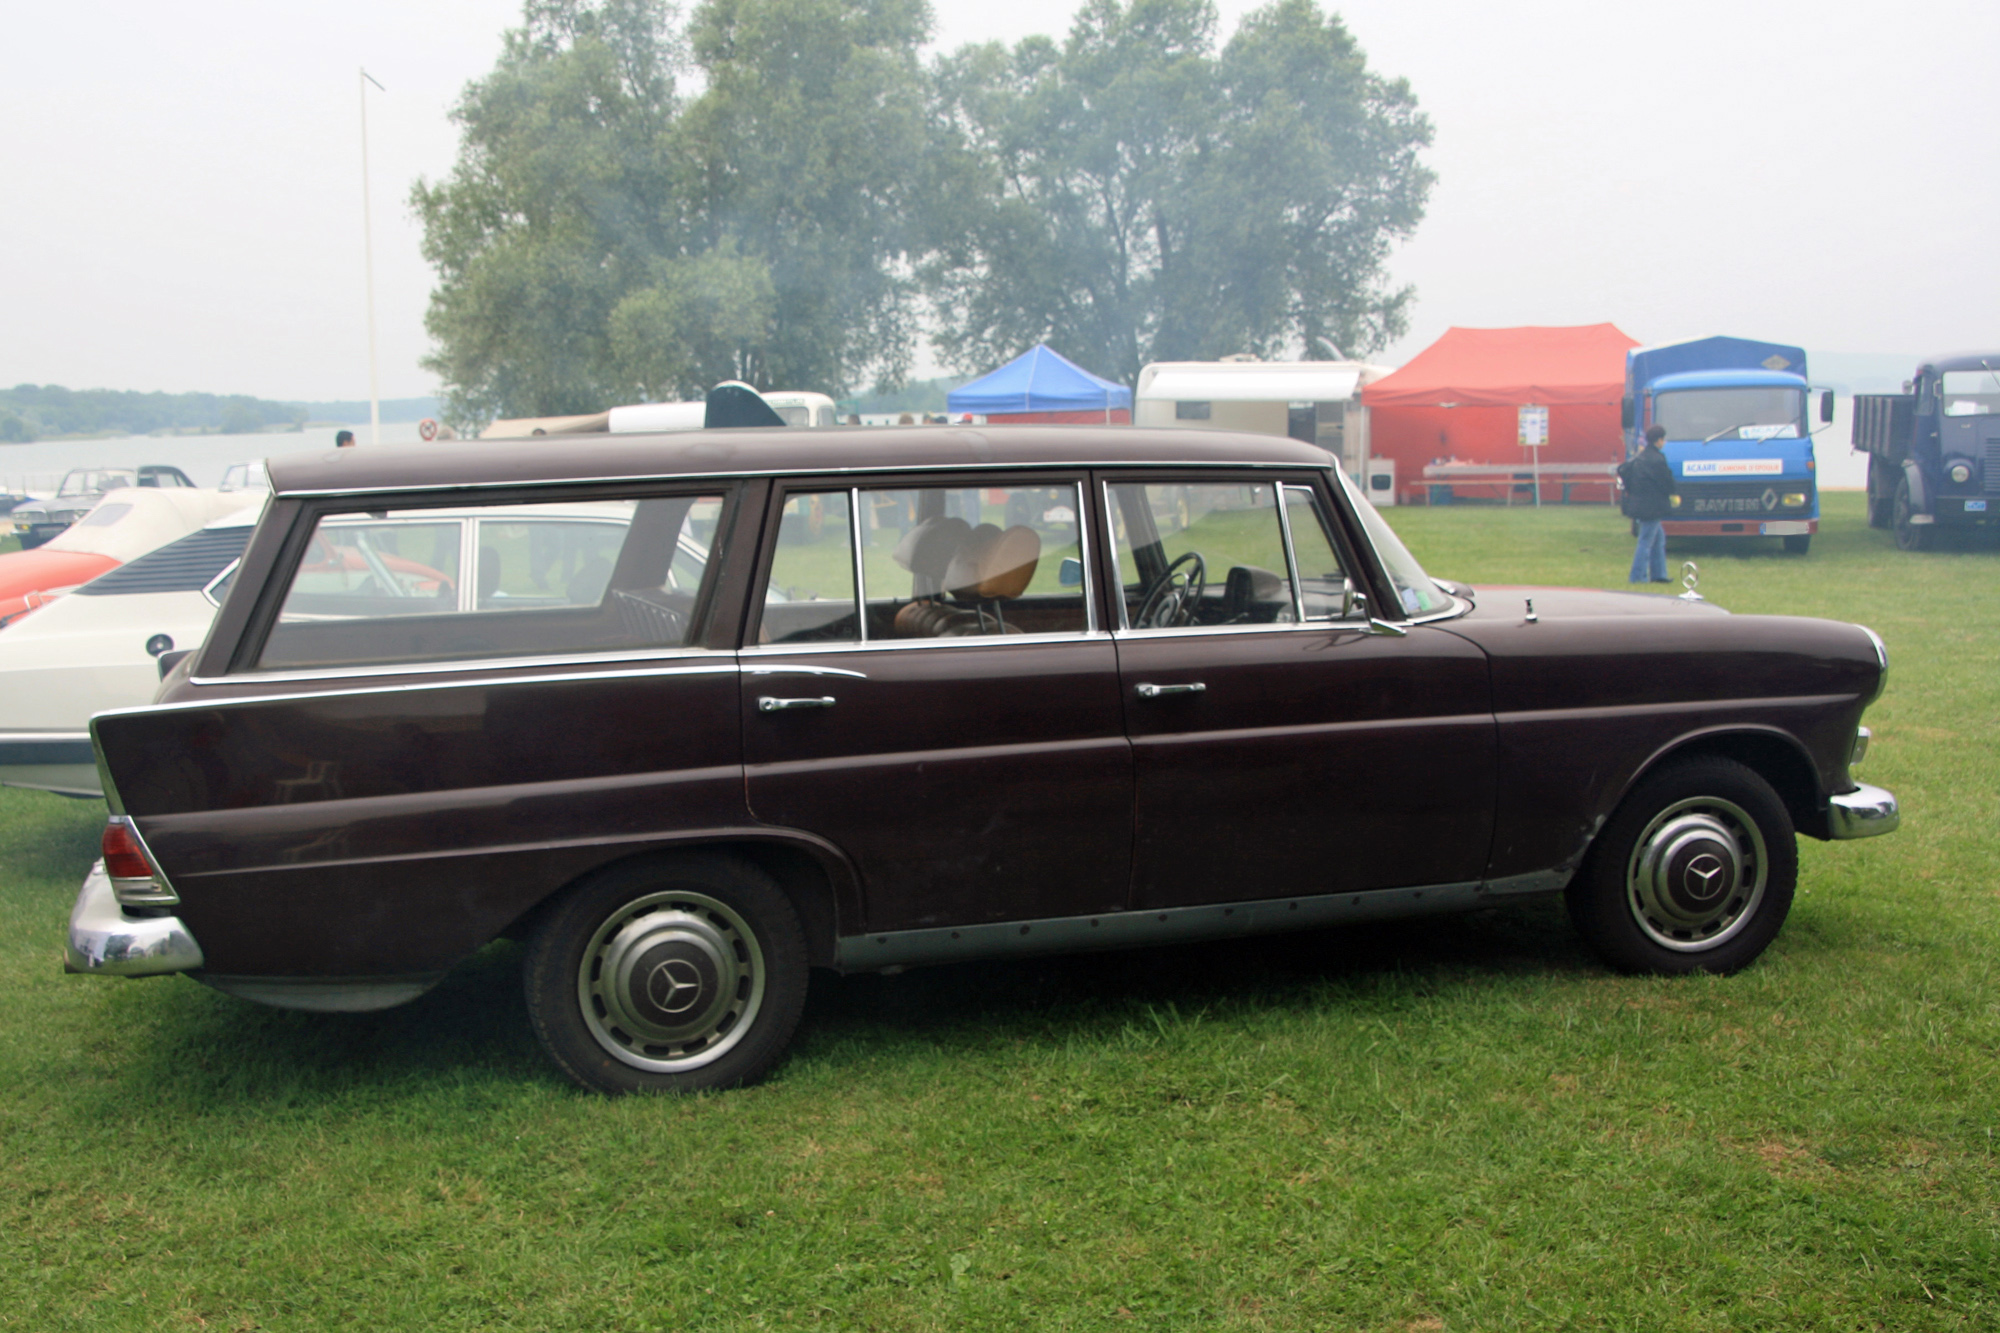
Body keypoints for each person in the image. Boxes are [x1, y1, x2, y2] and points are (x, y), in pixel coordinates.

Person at [1621, 425, 1676, 584]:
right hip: (1652, 506)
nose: (1664, 442)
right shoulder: (1657, 459)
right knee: (1645, 541)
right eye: (1663, 439)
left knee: (1659, 539)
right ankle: (1637, 577)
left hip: (1641, 504)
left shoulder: (1641, 457)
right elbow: (1666, 481)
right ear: (1659, 440)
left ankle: (1659, 574)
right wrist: (1674, 492)